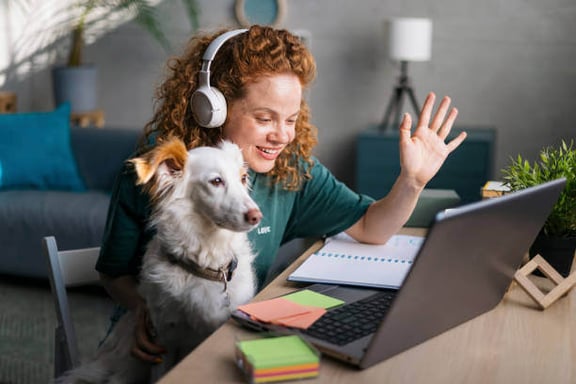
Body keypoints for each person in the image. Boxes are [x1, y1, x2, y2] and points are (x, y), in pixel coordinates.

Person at [95, 25, 467, 364]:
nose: (283, 135)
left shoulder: (290, 168)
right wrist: (145, 309)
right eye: (264, 118)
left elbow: (373, 227)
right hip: (151, 348)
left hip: (229, 338)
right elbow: (113, 273)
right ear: (213, 108)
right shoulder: (164, 169)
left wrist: (412, 180)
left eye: (290, 119)